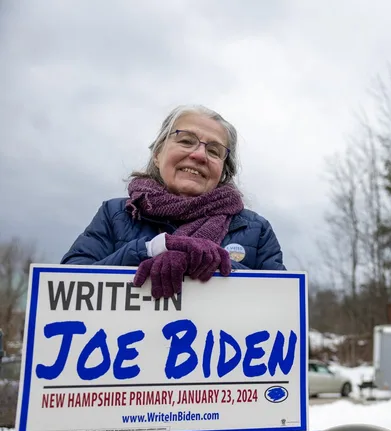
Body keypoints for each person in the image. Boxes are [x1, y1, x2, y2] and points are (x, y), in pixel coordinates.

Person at [62, 105, 286, 298]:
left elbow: (282, 301)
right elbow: (65, 286)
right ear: (158, 155)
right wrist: (149, 249)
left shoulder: (257, 230)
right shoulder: (114, 214)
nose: (199, 155)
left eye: (214, 151)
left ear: (223, 171)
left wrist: (215, 263)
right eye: (186, 140)